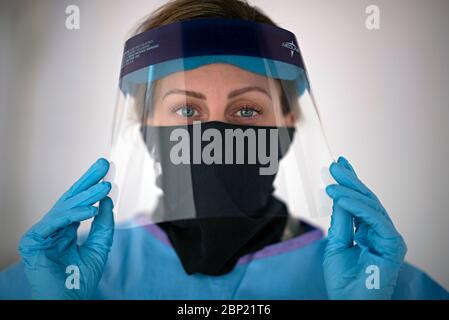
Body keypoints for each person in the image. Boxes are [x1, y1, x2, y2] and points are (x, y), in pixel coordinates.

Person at [0, 0, 448, 300]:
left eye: (248, 111)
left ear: (288, 122)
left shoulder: (380, 279)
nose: (215, 133)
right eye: (187, 111)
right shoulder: (60, 274)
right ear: (144, 125)